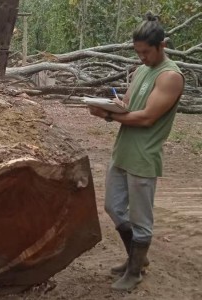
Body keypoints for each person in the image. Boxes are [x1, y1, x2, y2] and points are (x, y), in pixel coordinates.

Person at [88, 12, 185, 291]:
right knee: (113, 207)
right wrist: (111, 105)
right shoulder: (142, 69)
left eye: (146, 52)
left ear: (161, 46)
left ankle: (134, 272)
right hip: (124, 150)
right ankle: (136, 260)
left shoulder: (170, 77)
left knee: (141, 220)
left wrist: (107, 117)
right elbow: (130, 106)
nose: (142, 57)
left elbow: (146, 118)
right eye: (138, 52)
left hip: (143, 156)